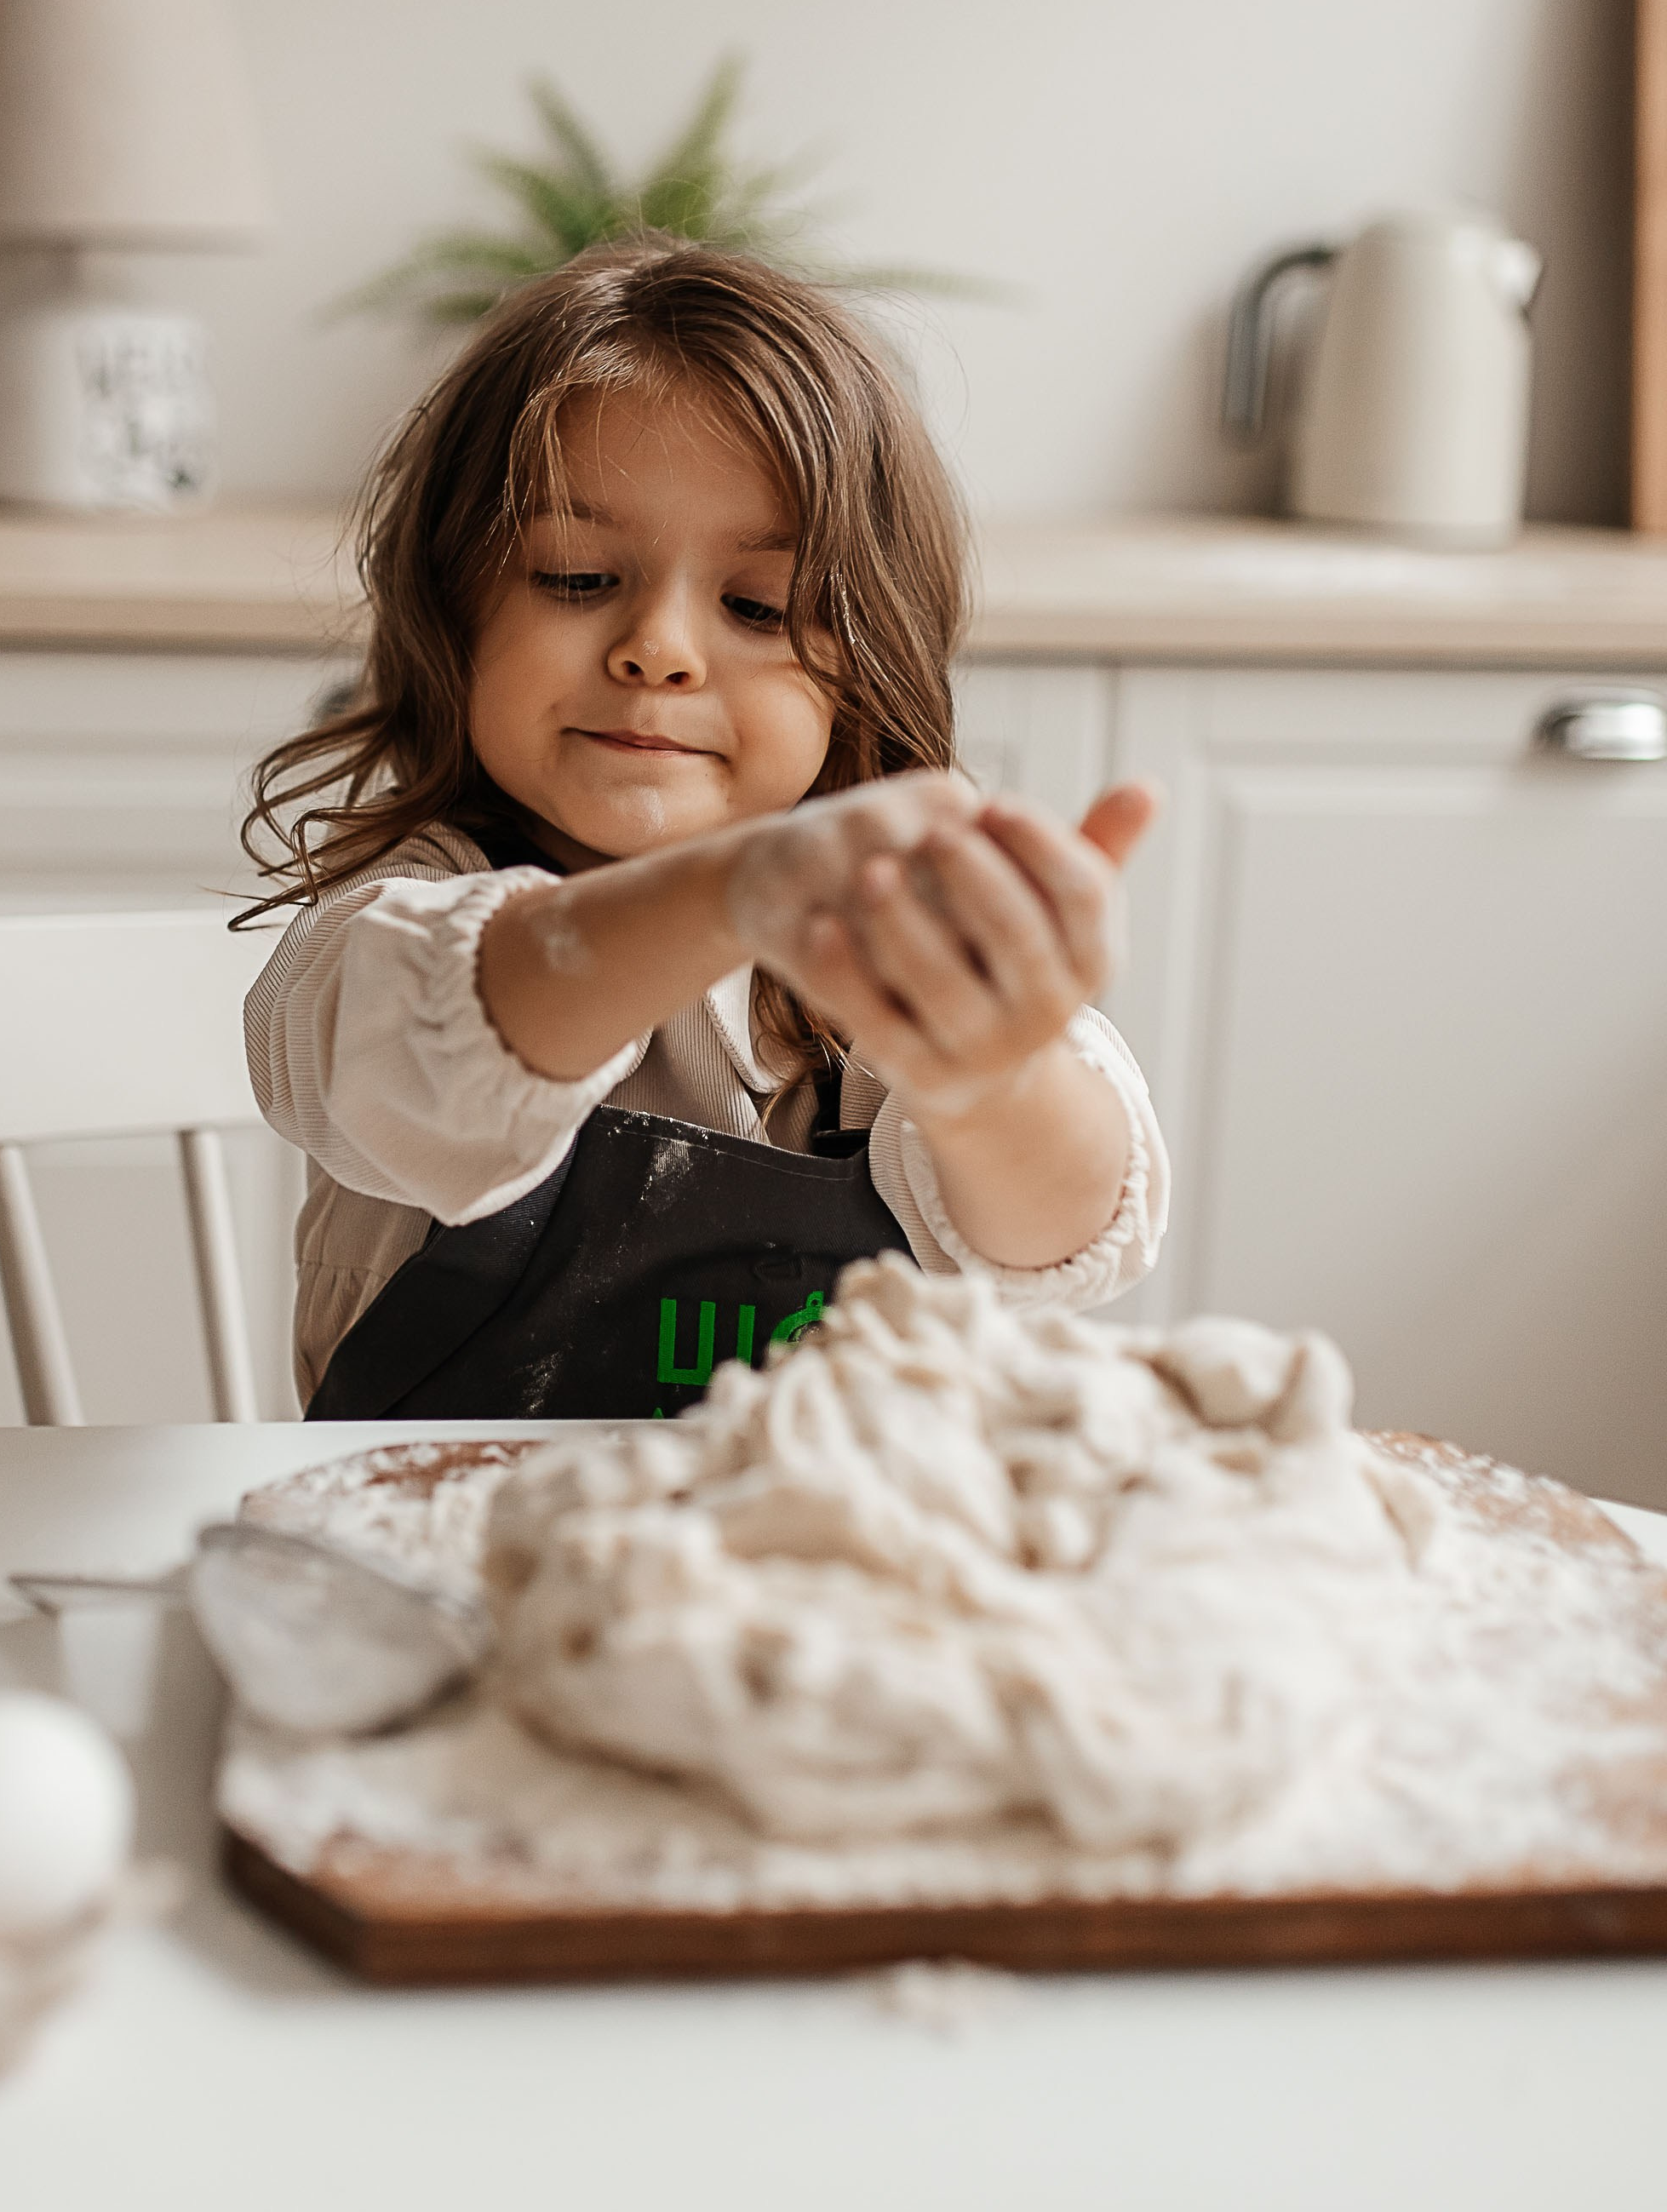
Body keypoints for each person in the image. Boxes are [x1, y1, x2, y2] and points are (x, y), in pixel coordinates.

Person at [243, 239, 1167, 1419]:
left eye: (756, 607)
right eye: (577, 577)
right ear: (450, 606)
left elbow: (1065, 1234)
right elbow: (435, 1059)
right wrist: (736, 891)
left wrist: (988, 1070)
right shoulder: (388, 943)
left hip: (796, 1576)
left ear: (864, 675)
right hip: (436, 1564)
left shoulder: (884, 958)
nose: (660, 649)